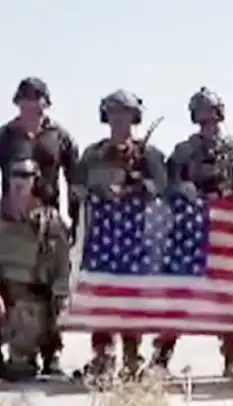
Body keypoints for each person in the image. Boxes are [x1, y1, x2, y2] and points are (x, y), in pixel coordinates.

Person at [153, 87, 233, 377]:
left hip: (225, 230)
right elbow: (168, 186)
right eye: (201, 113)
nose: (207, 119)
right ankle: (161, 356)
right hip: (191, 231)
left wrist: (232, 199)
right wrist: (186, 192)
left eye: (211, 112)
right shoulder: (184, 151)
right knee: (180, 294)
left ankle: (232, 356)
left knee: (227, 296)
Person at [72, 89, 167, 378]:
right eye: (114, 113)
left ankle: (132, 356)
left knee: (132, 296)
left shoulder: (149, 155)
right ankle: (102, 354)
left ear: (134, 117)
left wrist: (133, 184)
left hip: (136, 236)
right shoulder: (93, 155)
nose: (119, 120)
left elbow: (161, 187)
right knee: (102, 294)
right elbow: (77, 188)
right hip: (101, 237)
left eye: (125, 114)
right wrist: (98, 193)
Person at [0, 77, 79, 375]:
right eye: (26, 100)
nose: (31, 106)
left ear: (46, 103)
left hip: (48, 222)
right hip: (11, 222)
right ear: (17, 102)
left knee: (51, 287)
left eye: (37, 100)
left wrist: (76, 220)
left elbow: (74, 180)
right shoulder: (6, 136)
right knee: (13, 286)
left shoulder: (60, 136)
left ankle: (52, 352)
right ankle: (17, 352)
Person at [0, 157, 71, 381]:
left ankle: (38, 353)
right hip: (3, 294)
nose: (19, 181)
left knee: (21, 368)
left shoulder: (49, 220)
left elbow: (61, 264)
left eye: (26, 176)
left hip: (31, 297)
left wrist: (60, 297)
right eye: (15, 174)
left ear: (35, 181)